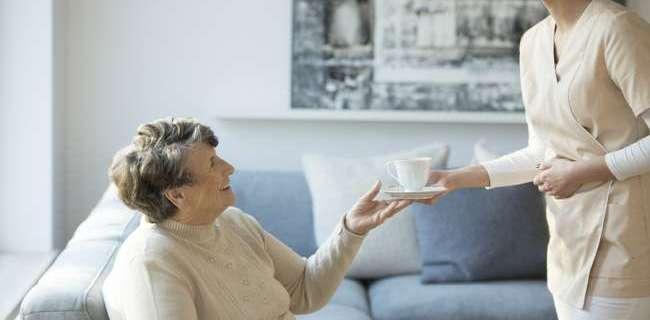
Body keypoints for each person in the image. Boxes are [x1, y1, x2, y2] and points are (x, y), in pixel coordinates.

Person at [426, 0, 650, 319]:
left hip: (622, 246)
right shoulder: (532, 41)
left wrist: (583, 172)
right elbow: (540, 153)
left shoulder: (618, 28)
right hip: (566, 247)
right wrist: (455, 178)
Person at [101, 117, 436, 320]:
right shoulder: (152, 260)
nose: (229, 168)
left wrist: (350, 229)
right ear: (177, 194)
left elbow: (306, 291)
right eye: (212, 165)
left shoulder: (234, 222)